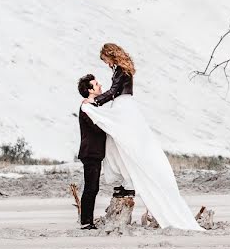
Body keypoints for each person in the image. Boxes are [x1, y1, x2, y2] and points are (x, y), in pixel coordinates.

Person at [80, 43, 202, 231]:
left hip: (123, 108)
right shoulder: (120, 69)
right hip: (121, 108)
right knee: (116, 144)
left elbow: (113, 92)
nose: (105, 63)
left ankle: (127, 182)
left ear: (109, 55)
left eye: (105, 60)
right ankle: (125, 181)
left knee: (124, 144)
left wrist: (95, 101)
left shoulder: (121, 70)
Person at [76, 74, 107, 230]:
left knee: (93, 187)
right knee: (91, 188)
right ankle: (86, 222)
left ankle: (88, 221)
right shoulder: (86, 107)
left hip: (95, 153)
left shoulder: (93, 106)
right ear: (89, 89)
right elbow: (97, 127)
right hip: (90, 153)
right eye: (96, 84)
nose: (99, 85)